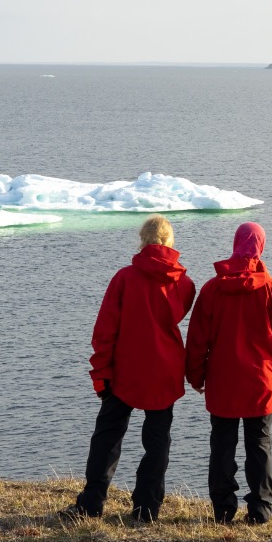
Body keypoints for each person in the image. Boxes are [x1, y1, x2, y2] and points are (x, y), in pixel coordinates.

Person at [62, 215, 196, 523]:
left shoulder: (124, 278)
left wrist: (100, 373)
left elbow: (105, 331)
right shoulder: (185, 283)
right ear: (170, 241)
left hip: (124, 370)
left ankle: (91, 503)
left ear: (142, 239)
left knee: (107, 437)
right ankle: (146, 509)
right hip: (164, 369)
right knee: (157, 441)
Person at [185, 222, 272, 524]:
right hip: (262, 383)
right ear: (261, 247)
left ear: (235, 244)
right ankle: (260, 508)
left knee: (222, 445)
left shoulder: (212, 289)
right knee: (259, 445)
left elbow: (197, 339)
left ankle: (223, 507)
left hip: (222, 382)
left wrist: (195, 377)